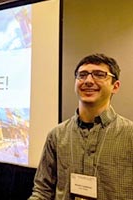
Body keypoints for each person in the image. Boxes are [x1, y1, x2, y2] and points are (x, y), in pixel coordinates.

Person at [28, 53, 133, 200]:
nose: (88, 81)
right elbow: (43, 191)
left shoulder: (130, 135)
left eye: (99, 74)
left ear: (115, 86)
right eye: (82, 75)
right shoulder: (57, 135)